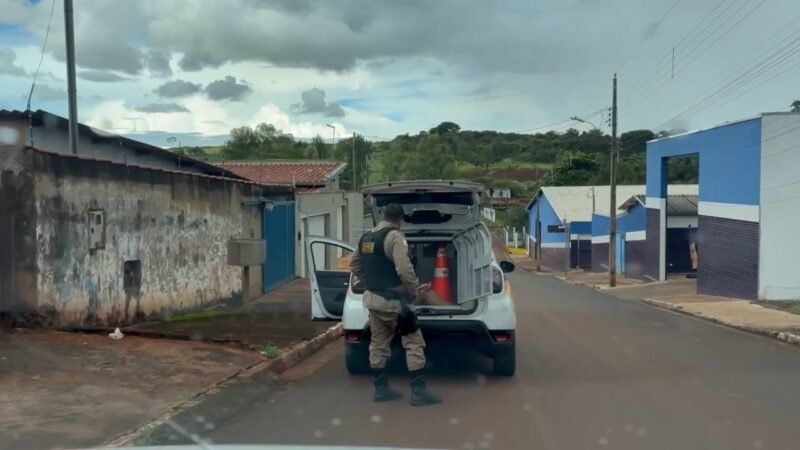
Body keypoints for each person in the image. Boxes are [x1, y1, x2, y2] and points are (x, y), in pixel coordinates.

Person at [350, 203, 442, 406]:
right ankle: (419, 393)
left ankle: (381, 390)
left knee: (378, 344)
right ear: (400, 220)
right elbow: (404, 269)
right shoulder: (394, 237)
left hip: (372, 300)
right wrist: (413, 289)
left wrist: (372, 282)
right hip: (394, 303)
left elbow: (354, 264)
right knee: (413, 342)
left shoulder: (367, 238)